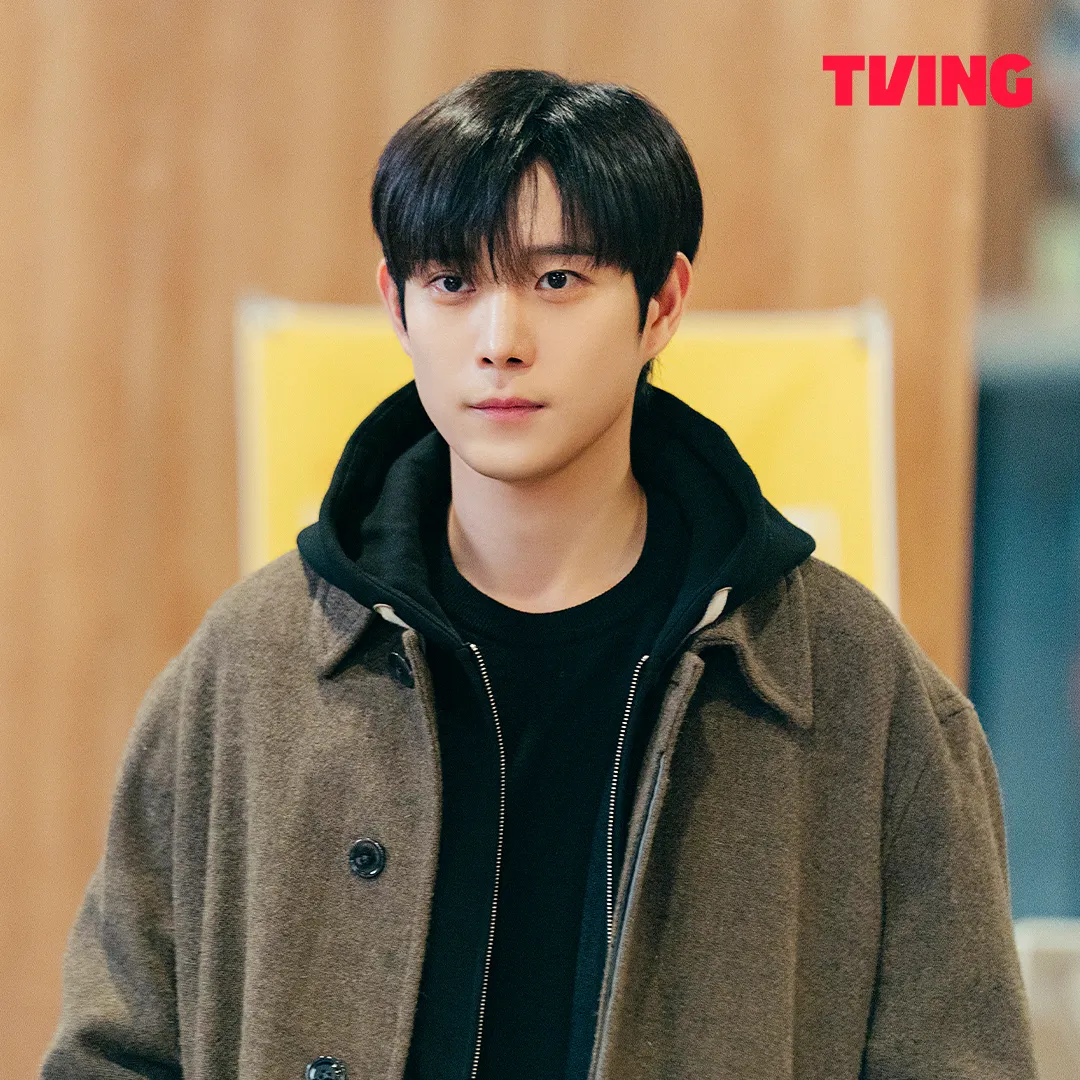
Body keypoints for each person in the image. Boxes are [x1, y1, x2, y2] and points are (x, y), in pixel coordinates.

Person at [43, 68, 1037, 1080]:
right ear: (396, 305)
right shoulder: (250, 668)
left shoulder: (852, 685)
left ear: (662, 304)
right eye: (452, 283)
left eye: (557, 282)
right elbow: (114, 1051)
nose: (500, 343)